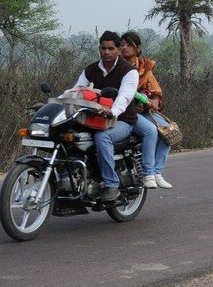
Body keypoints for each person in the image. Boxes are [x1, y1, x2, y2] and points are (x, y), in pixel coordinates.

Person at [71, 30, 138, 201]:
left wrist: (112, 112)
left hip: (122, 120)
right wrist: (54, 103)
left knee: (102, 138)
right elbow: (76, 90)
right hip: (93, 119)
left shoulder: (128, 71)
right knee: (69, 134)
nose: (106, 52)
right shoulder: (91, 69)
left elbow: (125, 96)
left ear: (118, 50)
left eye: (111, 48)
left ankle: (111, 185)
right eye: (103, 48)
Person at [119, 31, 173, 189]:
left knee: (169, 131)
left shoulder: (145, 68)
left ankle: (157, 172)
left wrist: (154, 101)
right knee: (151, 131)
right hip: (126, 111)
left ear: (138, 48)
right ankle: (148, 172)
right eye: (122, 45)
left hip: (143, 110)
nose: (125, 48)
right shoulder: (117, 66)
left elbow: (157, 93)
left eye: (130, 45)